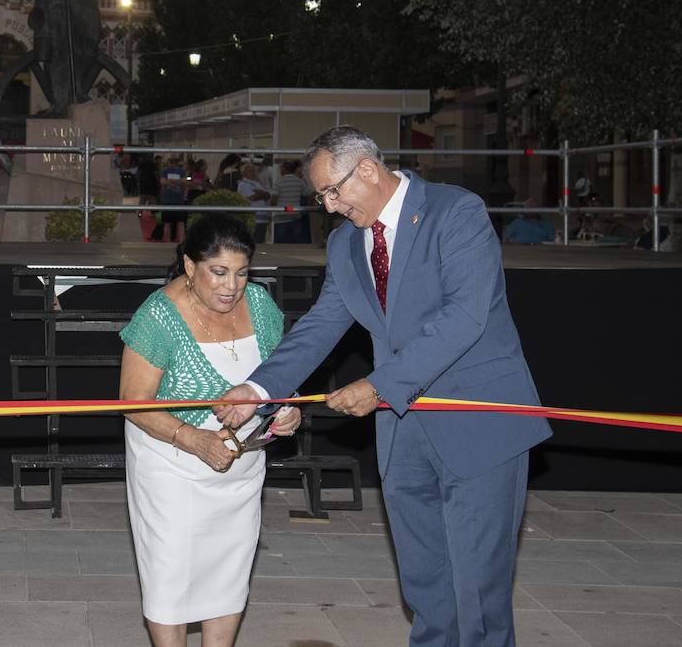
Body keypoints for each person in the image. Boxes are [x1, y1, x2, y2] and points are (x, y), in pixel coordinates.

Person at [216, 126, 551, 647]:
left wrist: (380, 385)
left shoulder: (456, 212)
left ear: (367, 170)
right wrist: (260, 390)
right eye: (321, 196)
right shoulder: (346, 243)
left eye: (333, 191)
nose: (328, 206)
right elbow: (321, 326)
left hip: (479, 423)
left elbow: (465, 316)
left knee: (478, 593)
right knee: (426, 586)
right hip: (403, 433)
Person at [119, 214, 301, 647]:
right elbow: (132, 403)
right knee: (171, 573)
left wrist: (287, 408)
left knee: (229, 571)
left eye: (241, 273)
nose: (231, 286)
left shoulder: (259, 305)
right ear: (188, 266)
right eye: (218, 272)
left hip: (242, 469)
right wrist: (195, 439)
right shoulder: (158, 317)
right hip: (171, 465)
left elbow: (281, 376)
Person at [271, 159, 308, 244]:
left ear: (284, 169)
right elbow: (309, 194)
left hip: (281, 217)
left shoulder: (278, 182)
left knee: (280, 244)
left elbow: (273, 200)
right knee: (295, 244)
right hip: (296, 216)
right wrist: (305, 208)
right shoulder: (300, 181)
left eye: (281, 168)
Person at [237, 162, 271, 243]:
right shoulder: (243, 185)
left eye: (253, 171)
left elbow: (268, 196)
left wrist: (261, 193)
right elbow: (253, 198)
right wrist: (262, 193)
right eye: (250, 171)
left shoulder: (257, 184)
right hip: (253, 219)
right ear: (244, 173)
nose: (253, 173)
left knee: (261, 242)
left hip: (262, 219)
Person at [157, 156, 187, 242]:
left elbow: (186, 181)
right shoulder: (165, 171)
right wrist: (177, 181)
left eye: (174, 162)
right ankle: (168, 241)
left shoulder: (182, 171)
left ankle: (182, 241)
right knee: (167, 223)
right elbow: (162, 181)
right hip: (167, 200)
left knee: (180, 223)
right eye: (171, 162)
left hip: (179, 200)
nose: (173, 164)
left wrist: (171, 181)